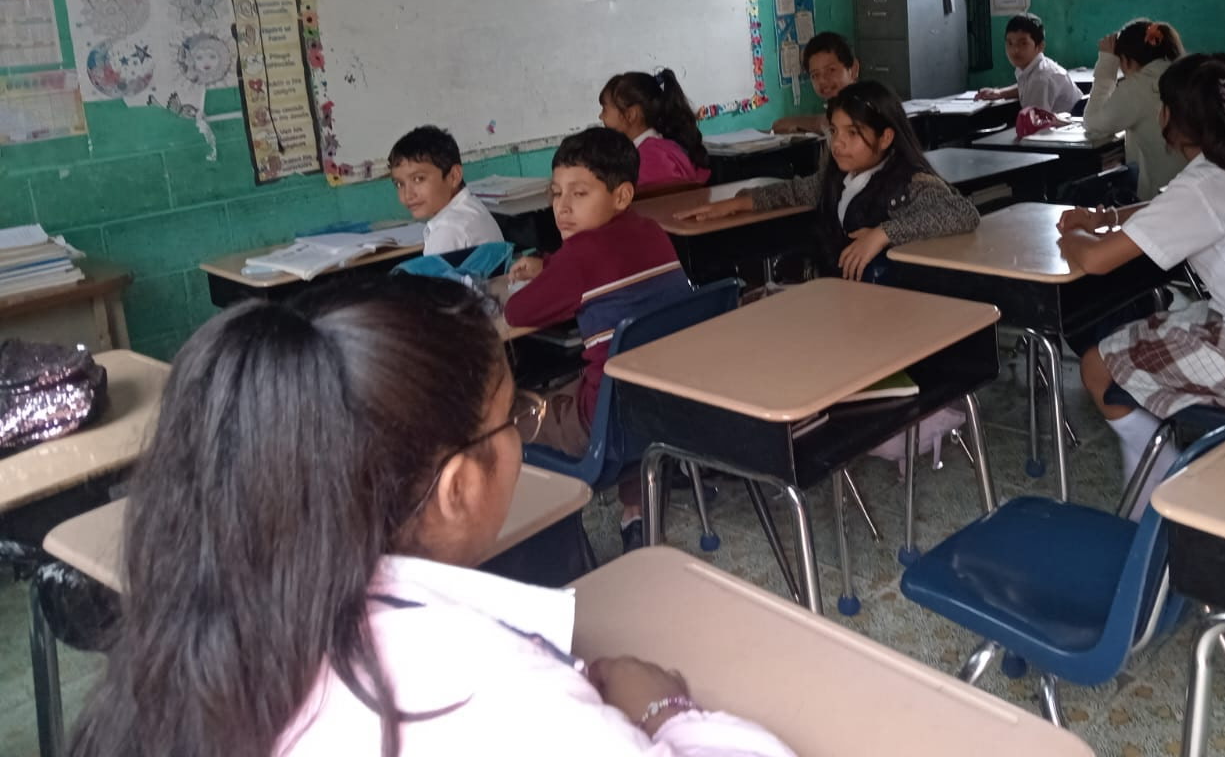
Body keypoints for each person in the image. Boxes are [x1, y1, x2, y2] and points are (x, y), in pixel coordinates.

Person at [67, 278, 794, 757]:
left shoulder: (194, 624)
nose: (522, 434)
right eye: (515, 417)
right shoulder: (501, 697)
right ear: (456, 488)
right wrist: (665, 714)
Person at [1056, 54, 1225, 516]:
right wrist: (1107, 218)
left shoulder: (1204, 188)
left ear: (1169, 118)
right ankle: (1167, 463)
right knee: (1158, 324)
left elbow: (1094, 262)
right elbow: (1171, 205)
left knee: (1096, 366)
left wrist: (1073, 233)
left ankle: (1163, 492)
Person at [505, 128, 692, 550]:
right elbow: (596, 266)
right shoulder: (652, 232)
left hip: (601, 425)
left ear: (622, 196)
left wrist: (552, 268)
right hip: (666, 407)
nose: (563, 207)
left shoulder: (580, 257)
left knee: (500, 423)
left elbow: (517, 312)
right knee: (610, 381)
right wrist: (550, 263)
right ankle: (636, 515)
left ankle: (545, 546)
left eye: (580, 193)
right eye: (555, 194)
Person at [678, 81, 978, 281]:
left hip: (890, 308)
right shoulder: (839, 177)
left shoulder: (910, 183)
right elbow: (796, 191)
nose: (838, 143)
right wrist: (737, 204)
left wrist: (882, 234)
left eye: (853, 133)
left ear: (886, 137)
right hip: (841, 295)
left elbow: (962, 213)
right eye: (834, 131)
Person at [1082, 18, 1187, 200]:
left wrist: (1107, 66)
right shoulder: (1181, 72)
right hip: (1194, 186)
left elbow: (1093, 123)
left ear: (1126, 60)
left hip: (1162, 198)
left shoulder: (1140, 85)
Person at [388, 125, 504, 255]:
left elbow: (431, 276)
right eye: (399, 184)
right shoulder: (471, 207)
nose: (407, 195)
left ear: (454, 176)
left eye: (418, 179)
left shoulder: (448, 229)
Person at [599, 69, 711, 190]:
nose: (600, 116)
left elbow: (662, 205)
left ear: (630, 115)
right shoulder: (656, 147)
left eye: (604, 109)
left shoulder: (650, 159)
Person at [974, 13, 1084, 115]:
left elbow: (1036, 127)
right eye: (1010, 43)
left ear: (1040, 46)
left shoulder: (1041, 78)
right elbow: (1026, 86)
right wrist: (999, 93)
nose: (1015, 50)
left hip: (1064, 132)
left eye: (1023, 43)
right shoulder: (1034, 68)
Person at [772, 32, 859, 135]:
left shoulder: (865, 111)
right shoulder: (833, 113)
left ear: (853, 69)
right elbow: (779, 125)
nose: (822, 80)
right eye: (815, 75)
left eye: (831, 70)